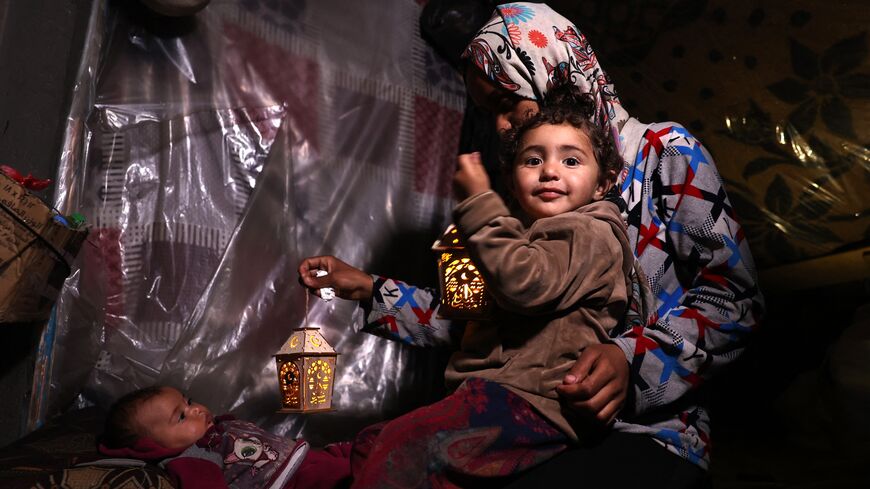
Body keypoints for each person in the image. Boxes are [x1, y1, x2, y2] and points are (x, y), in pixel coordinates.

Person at [299, 3, 763, 487]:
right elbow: (487, 325)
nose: (500, 126)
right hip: (533, 418)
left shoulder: (665, 155)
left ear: (553, 72)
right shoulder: (527, 203)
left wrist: (631, 359)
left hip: (653, 431)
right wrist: (369, 289)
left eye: (506, 102)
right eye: (487, 113)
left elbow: (736, 301)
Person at [339, 86, 630, 487]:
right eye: (532, 159)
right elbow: (465, 311)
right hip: (491, 393)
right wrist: (369, 288)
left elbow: (527, 283)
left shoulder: (591, 231)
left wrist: (478, 202)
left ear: (603, 184)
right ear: (512, 183)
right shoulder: (522, 237)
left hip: (533, 401)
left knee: (404, 450)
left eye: (571, 159)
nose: (550, 170)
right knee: (371, 444)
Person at [98, 386, 351, 489]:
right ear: (152, 446)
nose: (195, 408)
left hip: (308, 458)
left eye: (188, 401)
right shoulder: (194, 459)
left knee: (368, 444)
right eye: (182, 417)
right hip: (297, 482)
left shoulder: (216, 429)